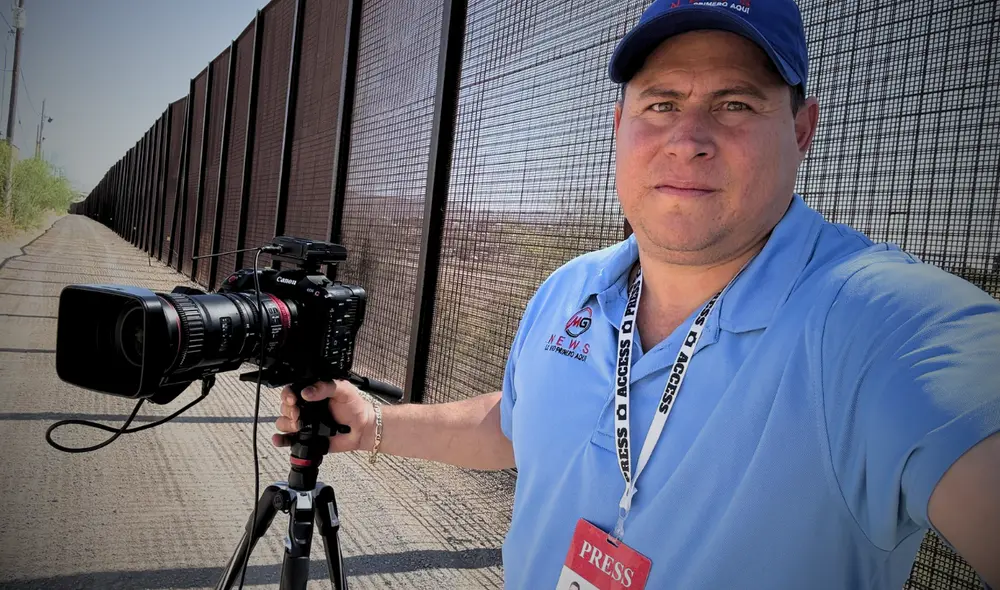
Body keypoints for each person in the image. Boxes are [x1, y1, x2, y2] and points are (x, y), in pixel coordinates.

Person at [273, 0, 1000, 588]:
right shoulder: (571, 289)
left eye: (737, 104)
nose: (688, 137)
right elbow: (522, 423)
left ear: (803, 130)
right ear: (619, 126)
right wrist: (372, 425)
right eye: (659, 103)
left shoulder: (884, 325)